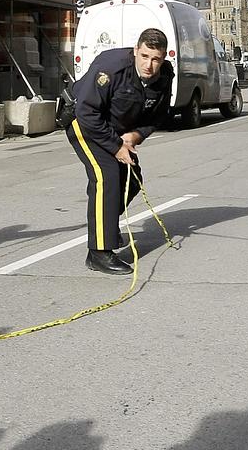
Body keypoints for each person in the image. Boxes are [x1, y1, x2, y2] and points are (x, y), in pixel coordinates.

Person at [65, 27, 174, 275]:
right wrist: (116, 147)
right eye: (144, 56)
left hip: (117, 131)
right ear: (136, 50)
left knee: (132, 181)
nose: (149, 65)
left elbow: (159, 115)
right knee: (107, 177)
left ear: (163, 58)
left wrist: (135, 136)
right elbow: (86, 112)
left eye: (155, 59)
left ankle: (105, 224)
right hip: (84, 124)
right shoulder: (111, 68)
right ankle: (99, 253)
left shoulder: (165, 76)